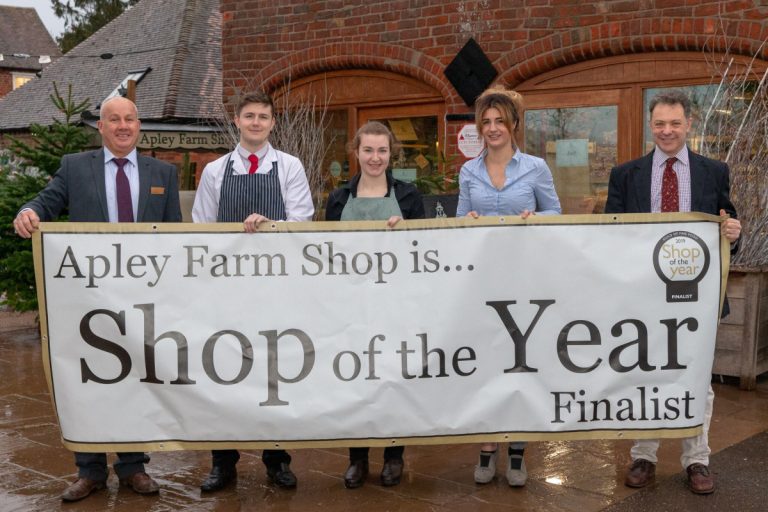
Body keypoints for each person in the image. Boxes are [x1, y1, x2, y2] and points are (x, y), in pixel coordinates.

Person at [12, 96, 181, 502]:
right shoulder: (75, 167)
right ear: (100, 127)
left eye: (130, 119)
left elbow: (174, 233)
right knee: (88, 378)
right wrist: (28, 212)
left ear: (138, 125)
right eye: (114, 119)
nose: (123, 126)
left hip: (142, 297)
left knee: (136, 377)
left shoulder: (163, 172)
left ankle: (133, 466)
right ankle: (89, 471)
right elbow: (45, 202)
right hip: (88, 297)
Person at [605, 89, 741, 495]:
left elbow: (725, 223)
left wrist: (732, 232)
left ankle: (697, 459)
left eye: (675, 123)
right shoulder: (625, 175)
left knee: (697, 378)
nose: (667, 131)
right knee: (644, 373)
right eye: (660, 123)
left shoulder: (713, 171)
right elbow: (608, 235)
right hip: (642, 294)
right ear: (651, 126)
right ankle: (643, 455)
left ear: (688, 124)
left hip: (696, 295)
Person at [192, 90, 314, 492]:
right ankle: (222, 462)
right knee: (222, 371)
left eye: (263, 116)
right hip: (226, 287)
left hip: (276, 286)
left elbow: (302, 221)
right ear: (238, 121)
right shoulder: (215, 171)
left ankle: (277, 460)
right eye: (249, 116)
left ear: (273, 123)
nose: (256, 122)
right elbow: (202, 229)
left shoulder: (289, 167)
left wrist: (271, 224)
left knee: (273, 372)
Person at [456, 85, 561, 487]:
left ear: (514, 124)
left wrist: (535, 218)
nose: (493, 128)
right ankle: (487, 446)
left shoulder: (535, 168)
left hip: (524, 277)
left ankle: (517, 448)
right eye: (486, 122)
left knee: (521, 359)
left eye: (500, 120)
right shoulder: (469, 171)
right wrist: (466, 222)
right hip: (482, 280)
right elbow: (460, 218)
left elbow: (555, 213)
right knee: (486, 362)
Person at [325, 121, 425, 488]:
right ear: (356, 152)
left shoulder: (409, 196)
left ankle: (394, 456)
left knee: (394, 379)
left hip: (396, 303)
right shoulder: (338, 199)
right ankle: (357, 457)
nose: (375, 157)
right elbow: (327, 254)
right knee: (355, 380)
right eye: (368, 150)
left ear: (391, 153)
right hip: (351, 304)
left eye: (382, 150)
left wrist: (406, 233)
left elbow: (424, 252)